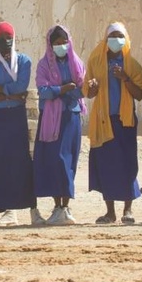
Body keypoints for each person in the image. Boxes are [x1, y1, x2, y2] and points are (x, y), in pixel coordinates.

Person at [83, 22, 142, 224]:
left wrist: (125, 78)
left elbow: (139, 94)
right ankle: (110, 212)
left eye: (120, 36)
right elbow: (89, 92)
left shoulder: (131, 64)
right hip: (104, 120)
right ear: (106, 39)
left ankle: (128, 209)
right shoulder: (95, 61)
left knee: (127, 163)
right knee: (106, 165)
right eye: (113, 36)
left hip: (124, 121)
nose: (116, 40)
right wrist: (93, 87)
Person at [0, 22, 38, 226]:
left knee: (22, 161)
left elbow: (22, 85)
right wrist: (7, 95)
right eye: (1, 39)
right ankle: (8, 210)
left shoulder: (23, 61)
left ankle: (33, 208)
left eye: (8, 38)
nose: (6, 43)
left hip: (16, 116)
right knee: (0, 162)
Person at [34, 25, 86, 226]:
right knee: (56, 160)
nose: (62, 46)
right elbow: (43, 90)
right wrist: (62, 89)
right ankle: (57, 206)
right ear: (50, 45)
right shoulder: (44, 65)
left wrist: (82, 88)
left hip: (71, 116)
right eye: (57, 43)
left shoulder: (76, 62)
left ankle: (66, 206)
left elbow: (81, 89)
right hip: (52, 119)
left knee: (70, 160)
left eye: (64, 42)